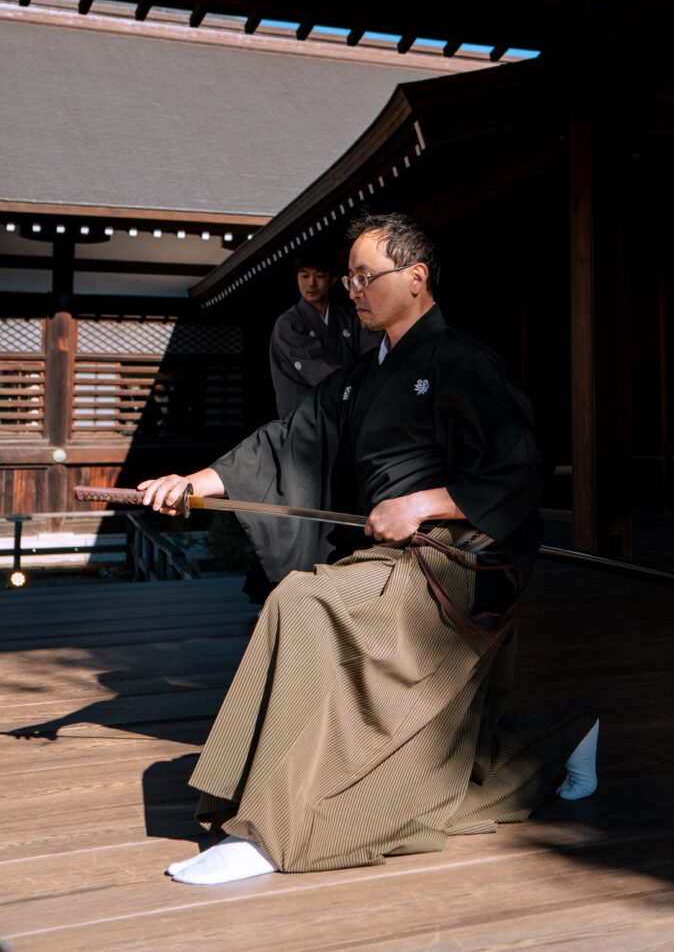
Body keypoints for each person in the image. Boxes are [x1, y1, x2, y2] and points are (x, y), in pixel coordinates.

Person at [138, 212, 599, 885]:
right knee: (306, 603)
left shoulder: (465, 362)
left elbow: (519, 470)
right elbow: (285, 442)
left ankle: (271, 828)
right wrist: (194, 483)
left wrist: (423, 503)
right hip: (392, 558)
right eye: (349, 278)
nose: (352, 289)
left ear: (415, 278)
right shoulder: (359, 377)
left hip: (460, 558)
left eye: (365, 275)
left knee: (307, 601)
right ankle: (566, 733)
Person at [269, 244, 380, 419]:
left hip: (346, 414)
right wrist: (359, 384)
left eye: (319, 276)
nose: (311, 283)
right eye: (304, 276)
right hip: (305, 420)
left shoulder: (349, 318)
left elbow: (373, 354)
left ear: (333, 279)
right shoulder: (288, 324)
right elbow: (317, 370)